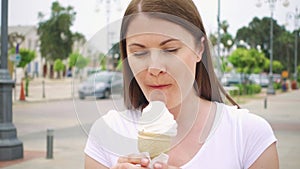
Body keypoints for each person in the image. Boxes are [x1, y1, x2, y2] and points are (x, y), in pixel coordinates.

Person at [84, 0, 279, 168]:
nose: (154, 68)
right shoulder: (105, 135)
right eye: (139, 53)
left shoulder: (248, 135)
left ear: (199, 49)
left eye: (170, 49)